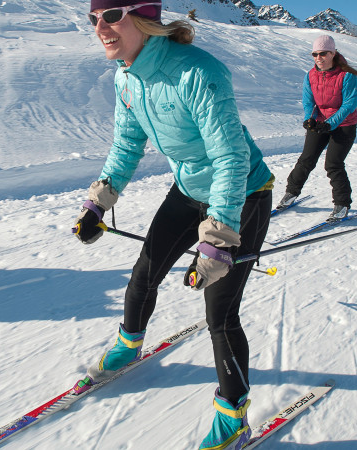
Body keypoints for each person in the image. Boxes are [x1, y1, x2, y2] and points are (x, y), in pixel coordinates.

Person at [71, 1, 274, 448]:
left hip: (243, 193)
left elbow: (229, 157)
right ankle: (129, 345)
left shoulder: (198, 72)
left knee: (220, 316)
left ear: (142, 17)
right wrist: (98, 203)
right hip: (188, 189)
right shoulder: (126, 76)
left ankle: (233, 418)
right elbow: (127, 141)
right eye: (93, 18)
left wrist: (219, 236)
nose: (99, 27)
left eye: (111, 15)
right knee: (146, 270)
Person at [275, 34, 357, 220]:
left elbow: (349, 106)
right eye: (315, 54)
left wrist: (331, 123)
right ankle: (291, 193)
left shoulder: (348, 76)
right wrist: (310, 119)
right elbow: (308, 101)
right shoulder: (311, 75)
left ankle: (342, 204)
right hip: (321, 123)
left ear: (333, 53)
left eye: (323, 53)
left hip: (344, 125)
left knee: (333, 164)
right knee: (306, 159)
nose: (318, 58)